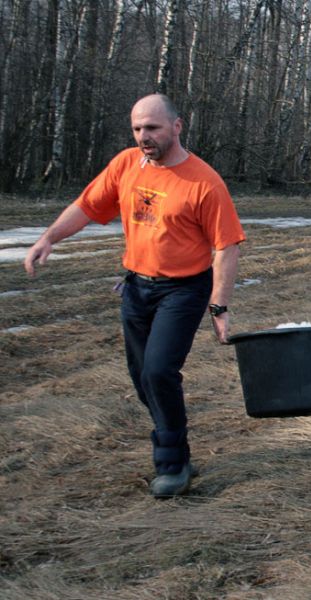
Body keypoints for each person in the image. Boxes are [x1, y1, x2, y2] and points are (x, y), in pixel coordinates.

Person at [24, 94, 245, 499]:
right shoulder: (126, 163)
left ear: (177, 127)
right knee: (143, 378)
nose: (145, 136)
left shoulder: (203, 181)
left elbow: (226, 246)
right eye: (138, 129)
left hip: (183, 289)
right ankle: (177, 447)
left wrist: (219, 305)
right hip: (137, 286)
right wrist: (48, 237)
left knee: (160, 371)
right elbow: (88, 206)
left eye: (153, 128)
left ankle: (172, 465)